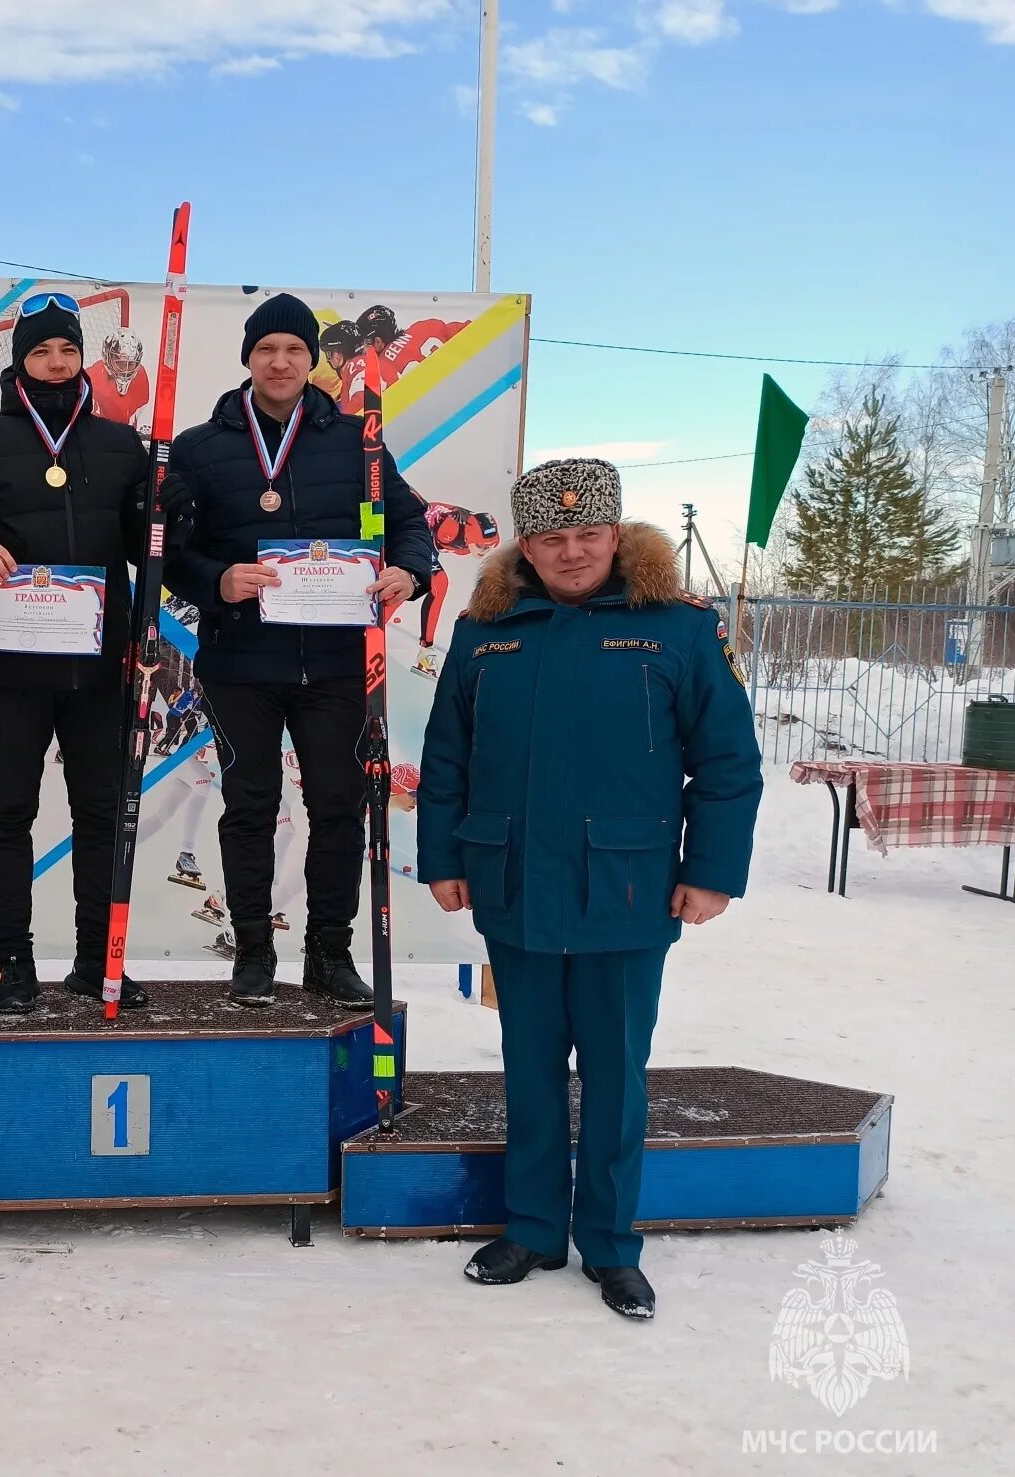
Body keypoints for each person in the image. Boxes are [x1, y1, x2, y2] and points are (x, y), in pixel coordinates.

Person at [416, 458, 763, 1321]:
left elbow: (727, 765)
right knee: (529, 1066)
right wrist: (444, 859)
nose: (572, 552)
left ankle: (610, 1246)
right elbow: (449, 760)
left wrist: (711, 871)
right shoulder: (483, 633)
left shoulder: (678, 632)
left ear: (618, 535)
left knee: (613, 1073)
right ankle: (533, 1228)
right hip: (513, 882)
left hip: (628, 889)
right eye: (552, 537)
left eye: (588, 534)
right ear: (526, 546)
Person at [164, 293, 436, 1006]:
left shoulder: (358, 443)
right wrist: (217, 580)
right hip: (241, 659)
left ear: (311, 360)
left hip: (338, 663)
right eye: (266, 350)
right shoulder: (200, 447)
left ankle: (329, 952)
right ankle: (253, 950)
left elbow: (412, 524)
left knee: (338, 807)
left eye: (293, 349)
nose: (279, 362)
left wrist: (408, 569)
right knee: (250, 807)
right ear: (248, 359)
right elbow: (167, 552)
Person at [0, 292, 150, 1013]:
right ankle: (13, 962)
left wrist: (171, 505)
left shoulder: (120, 446)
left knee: (100, 815)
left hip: (97, 667)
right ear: (19, 360)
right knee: (10, 815)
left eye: (67, 350)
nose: (55, 363)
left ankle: (94, 960)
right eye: (41, 351)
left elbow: (153, 542)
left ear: (84, 358)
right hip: (17, 667)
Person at [413, 498, 502, 677]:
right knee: (439, 583)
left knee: (432, 584)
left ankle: (425, 650)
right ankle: (425, 650)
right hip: (418, 530)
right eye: (481, 546)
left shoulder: (468, 536)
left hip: (427, 533)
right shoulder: (450, 531)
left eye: (490, 546)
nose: (485, 550)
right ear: (469, 537)